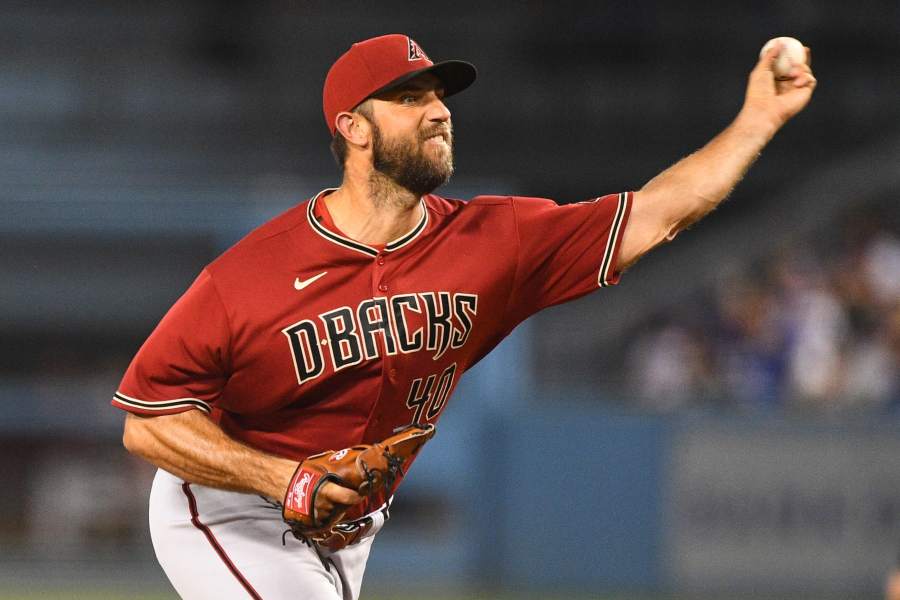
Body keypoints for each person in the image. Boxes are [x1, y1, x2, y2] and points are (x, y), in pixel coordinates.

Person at [114, 33, 816, 599]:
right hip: (230, 505)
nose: (439, 110)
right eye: (410, 96)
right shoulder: (251, 274)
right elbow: (148, 419)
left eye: (440, 96)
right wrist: (279, 479)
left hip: (347, 526)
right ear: (353, 128)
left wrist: (758, 119)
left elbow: (661, 211)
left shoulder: (493, 241)